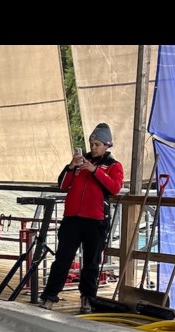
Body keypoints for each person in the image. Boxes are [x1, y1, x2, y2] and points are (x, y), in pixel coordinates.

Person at [39, 123, 124, 313]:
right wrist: (71, 166)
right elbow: (62, 185)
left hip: (96, 220)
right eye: (91, 143)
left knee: (91, 262)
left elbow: (115, 188)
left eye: (97, 144)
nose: (93, 148)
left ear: (106, 145)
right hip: (73, 219)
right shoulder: (79, 162)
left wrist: (94, 171)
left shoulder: (113, 165)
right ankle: (49, 297)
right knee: (62, 258)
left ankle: (87, 298)